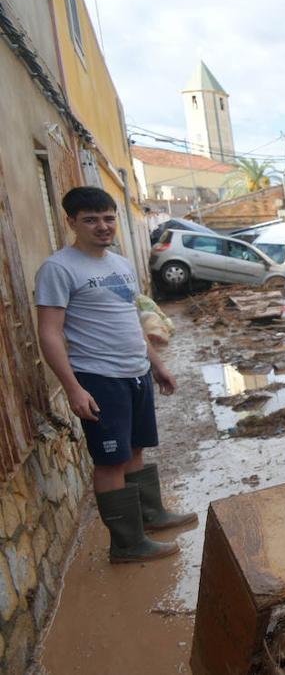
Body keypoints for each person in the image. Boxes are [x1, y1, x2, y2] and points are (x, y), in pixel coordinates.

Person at [35, 187, 196, 564]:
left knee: (135, 448)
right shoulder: (59, 268)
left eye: (108, 218)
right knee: (110, 461)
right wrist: (72, 387)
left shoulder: (120, 265)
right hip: (98, 376)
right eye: (91, 219)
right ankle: (126, 543)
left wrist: (157, 365)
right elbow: (49, 332)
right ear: (71, 221)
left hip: (135, 373)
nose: (103, 226)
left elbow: (131, 322)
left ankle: (150, 517)